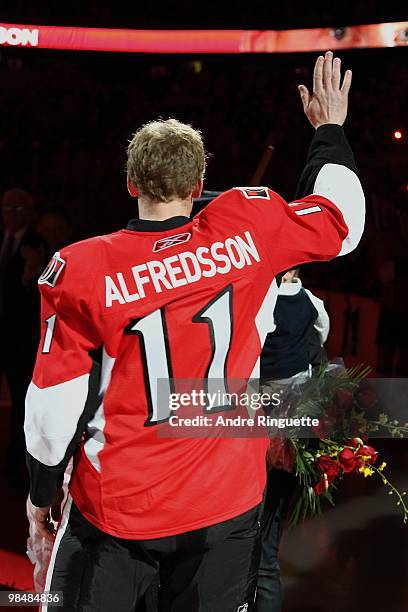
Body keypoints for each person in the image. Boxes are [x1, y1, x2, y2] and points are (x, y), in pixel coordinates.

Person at [24, 51, 364, 612]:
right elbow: (342, 220)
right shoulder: (247, 227)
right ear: (200, 181)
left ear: (131, 181)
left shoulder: (82, 267)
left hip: (120, 507)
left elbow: (53, 409)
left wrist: (41, 493)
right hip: (223, 502)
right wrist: (328, 131)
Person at [255, 268, 330, 612]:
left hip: (258, 436)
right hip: (293, 435)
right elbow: (321, 345)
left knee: (249, 550)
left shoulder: (259, 303)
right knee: (267, 552)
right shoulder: (313, 304)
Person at [0, 187, 47, 482]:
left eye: (19, 208)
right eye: (7, 207)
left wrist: (31, 275)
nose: (12, 214)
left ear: (29, 213)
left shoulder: (37, 245)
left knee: (20, 405)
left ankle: (16, 466)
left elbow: (38, 294)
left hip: (19, 340)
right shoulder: (2, 240)